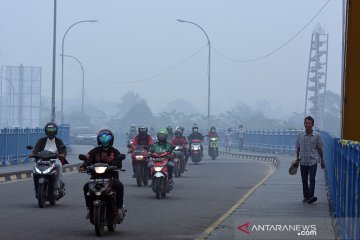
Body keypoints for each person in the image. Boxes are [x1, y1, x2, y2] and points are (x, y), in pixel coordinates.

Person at [79, 129, 127, 220]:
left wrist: (116, 165)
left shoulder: (115, 151)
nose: (104, 141)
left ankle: (119, 209)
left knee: (119, 186)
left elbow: (119, 162)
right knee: (86, 187)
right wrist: (84, 166)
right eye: (102, 138)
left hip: (111, 177)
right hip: (96, 177)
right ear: (98, 140)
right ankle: (89, 208)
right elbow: (88, 160)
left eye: (107, 138)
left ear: (111, 140)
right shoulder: (95, 151)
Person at [296, 116, 325, 204]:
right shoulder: (300, 135)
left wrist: (322, 161)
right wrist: (297, 159)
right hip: (303, 160)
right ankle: (306, 196)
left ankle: (311, 196)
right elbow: (298, 147)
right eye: (306, 123)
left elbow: (320, 148)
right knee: (304, 179)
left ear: (312, 124)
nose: (307, 124)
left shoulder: (317, 136)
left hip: (313, 160)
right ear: (304, 124)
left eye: (309, 123)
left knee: (312, 179)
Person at [31, 122, 67, 193]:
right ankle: (36, 186)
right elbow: (36, 149)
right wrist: (33, 154)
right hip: (41, 159)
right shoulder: (41, 140)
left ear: (56, 131)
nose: (50, 132)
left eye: (52, 130)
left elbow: (63, 151)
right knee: (34, 167)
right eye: (49, 130)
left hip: (54, 160)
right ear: (46, 131)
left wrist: (62, 154)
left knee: (59, 165)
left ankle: (56, 186)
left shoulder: (59, 141)